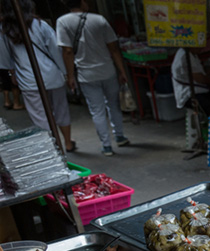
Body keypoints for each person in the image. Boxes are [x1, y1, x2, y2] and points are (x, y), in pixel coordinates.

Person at [56, 0, 129, 157]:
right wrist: (122, 71)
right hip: (108, 70)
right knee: (114, 105)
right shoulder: (99, 19)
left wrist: (69, 76)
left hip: (86, 74)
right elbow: (114, 49)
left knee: (97, 111)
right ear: (82, 3)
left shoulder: (62, 22)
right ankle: (120, 136)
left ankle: (107, 146)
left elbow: (67, 51)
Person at [0, 0, 75, 151]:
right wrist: (66, 73)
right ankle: (67, 142)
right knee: (61, 110)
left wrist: (12, 72)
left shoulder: (4, 29)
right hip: (53, 75)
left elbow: (5, 58)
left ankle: (53, 149)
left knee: (40, 117)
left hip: (28, 79)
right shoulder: (40, 25)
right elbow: (56, 50)